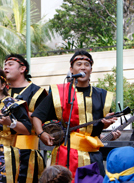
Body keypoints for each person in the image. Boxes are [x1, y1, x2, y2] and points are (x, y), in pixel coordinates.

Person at [32, 50, 117, 178]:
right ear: (71, 69)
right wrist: (41, 133)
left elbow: (100, 125)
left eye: (86, 65)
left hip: (92, 153)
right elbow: (37, 116)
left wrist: (106, 125)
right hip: (65, 152)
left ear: (91, 70)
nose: (83, 67)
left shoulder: (103, 95)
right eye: (79, 64)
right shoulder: (59, 92)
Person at [4, 53, 47, 182]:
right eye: (5, 65)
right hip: (3, 149)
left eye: (10, 64)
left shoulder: (38, 92)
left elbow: (44, 122)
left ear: (22, 69)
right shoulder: (1, 91)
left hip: (27, 150)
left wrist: (20, 114)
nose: (6, 67)